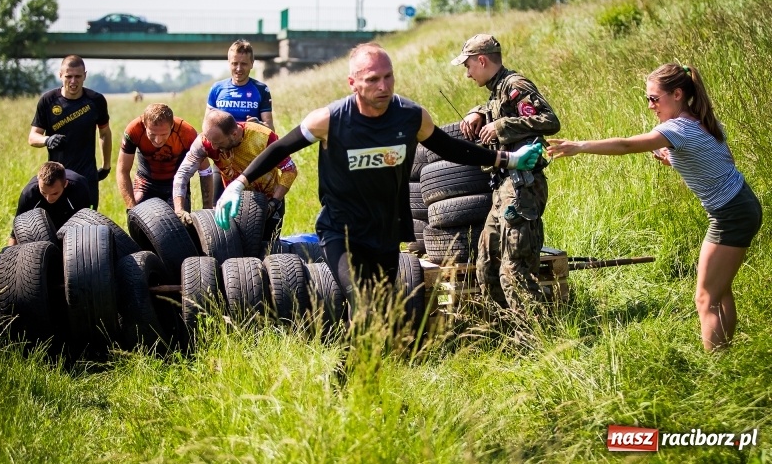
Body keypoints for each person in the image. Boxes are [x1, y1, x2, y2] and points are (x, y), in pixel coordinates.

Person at [213, 43, 543, 318]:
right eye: (373, 80)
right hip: (341, 233)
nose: (383, 87)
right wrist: (238, 185)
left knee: (380, 314)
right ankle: (358, 389)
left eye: (388, 77)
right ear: (353, 83)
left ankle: (345, 378)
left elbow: (453, 149)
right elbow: (280, 148)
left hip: (385, 235)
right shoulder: (329, 120)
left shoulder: (411, 117)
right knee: (366, 307)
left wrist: (509, 158)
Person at [547, 63, 762, 351]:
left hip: (731, 215)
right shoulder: (702, 120)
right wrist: (674, 160)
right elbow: (724, 162)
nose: (650, 106)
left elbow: (626, 146)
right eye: (647, 99)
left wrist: (580, 146)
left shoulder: (676, 129)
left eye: (654, 98)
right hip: (741, 204)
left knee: (705, 299)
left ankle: (717, 367)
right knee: (719, 292)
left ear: (676, 94)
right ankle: (726, 354)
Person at [452, 34, 561, 318]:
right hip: (503, 189)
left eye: (468, 66)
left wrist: (501, 126)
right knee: (487, 265)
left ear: (482, 60)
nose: (467, 74)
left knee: (515, 271)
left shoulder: (515, 85)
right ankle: (505, 332)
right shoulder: (498, 89)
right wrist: (478, 112)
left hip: (522, 188)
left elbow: (549, 120)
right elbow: (497, 107)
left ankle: (539, 341)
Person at [172, 110, 297, 242]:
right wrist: (179, 209)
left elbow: (290, 170)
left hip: (269, 199)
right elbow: (182, 173)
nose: (213, 147)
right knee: (232, 248)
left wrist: (274, 202)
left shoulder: (263, 137)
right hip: (233, 201)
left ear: (234, 134)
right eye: (210, 141)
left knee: (267, 247)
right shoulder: (206, 142)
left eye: (218, 143)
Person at [28, 55, 111, 210]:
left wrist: (106, 166)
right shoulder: (48, 101)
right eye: (68, 76)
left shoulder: (96, 100)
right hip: (57, 178)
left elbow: (105, 133)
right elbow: (32, 137)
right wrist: (48, 140)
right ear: (60, 75)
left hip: (87, 176)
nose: (73, 81)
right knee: (56, 225)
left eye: (78, 76)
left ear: (85, 75)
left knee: (88, 224)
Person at [206, 39, 274, 201]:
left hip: (251, 158)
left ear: (252, 63)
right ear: (229, 63)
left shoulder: (261, 89)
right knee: (217, 207)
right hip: (223, 159)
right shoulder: (217, 89)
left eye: (244, 64)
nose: (238, 68)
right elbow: (206, 124)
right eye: (234, 63)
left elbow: (271, 129)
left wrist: (259, 125)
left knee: (255, 207)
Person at [116, 103, 212, 211]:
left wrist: (207, 208)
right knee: (137, 214)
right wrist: (131, 207)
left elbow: (205, 170)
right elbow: (122, 170)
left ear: (172, 126)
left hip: (176, 183)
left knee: (182, 223)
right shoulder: (134, 130)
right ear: (144, 124)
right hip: (146, 182)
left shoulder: (186, 132)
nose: (158, 140)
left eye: (164, 134)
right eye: (152, 134)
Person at [8, 162, 91, 246]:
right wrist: (8, 256)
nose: (49, 198)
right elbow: (16, 232)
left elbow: (85, 226)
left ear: (65, 184)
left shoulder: (79, 189)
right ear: (38, 181)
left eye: (54, 193)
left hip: (70, 220)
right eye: (43, 192)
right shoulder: (29, 194)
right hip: (41, 227)